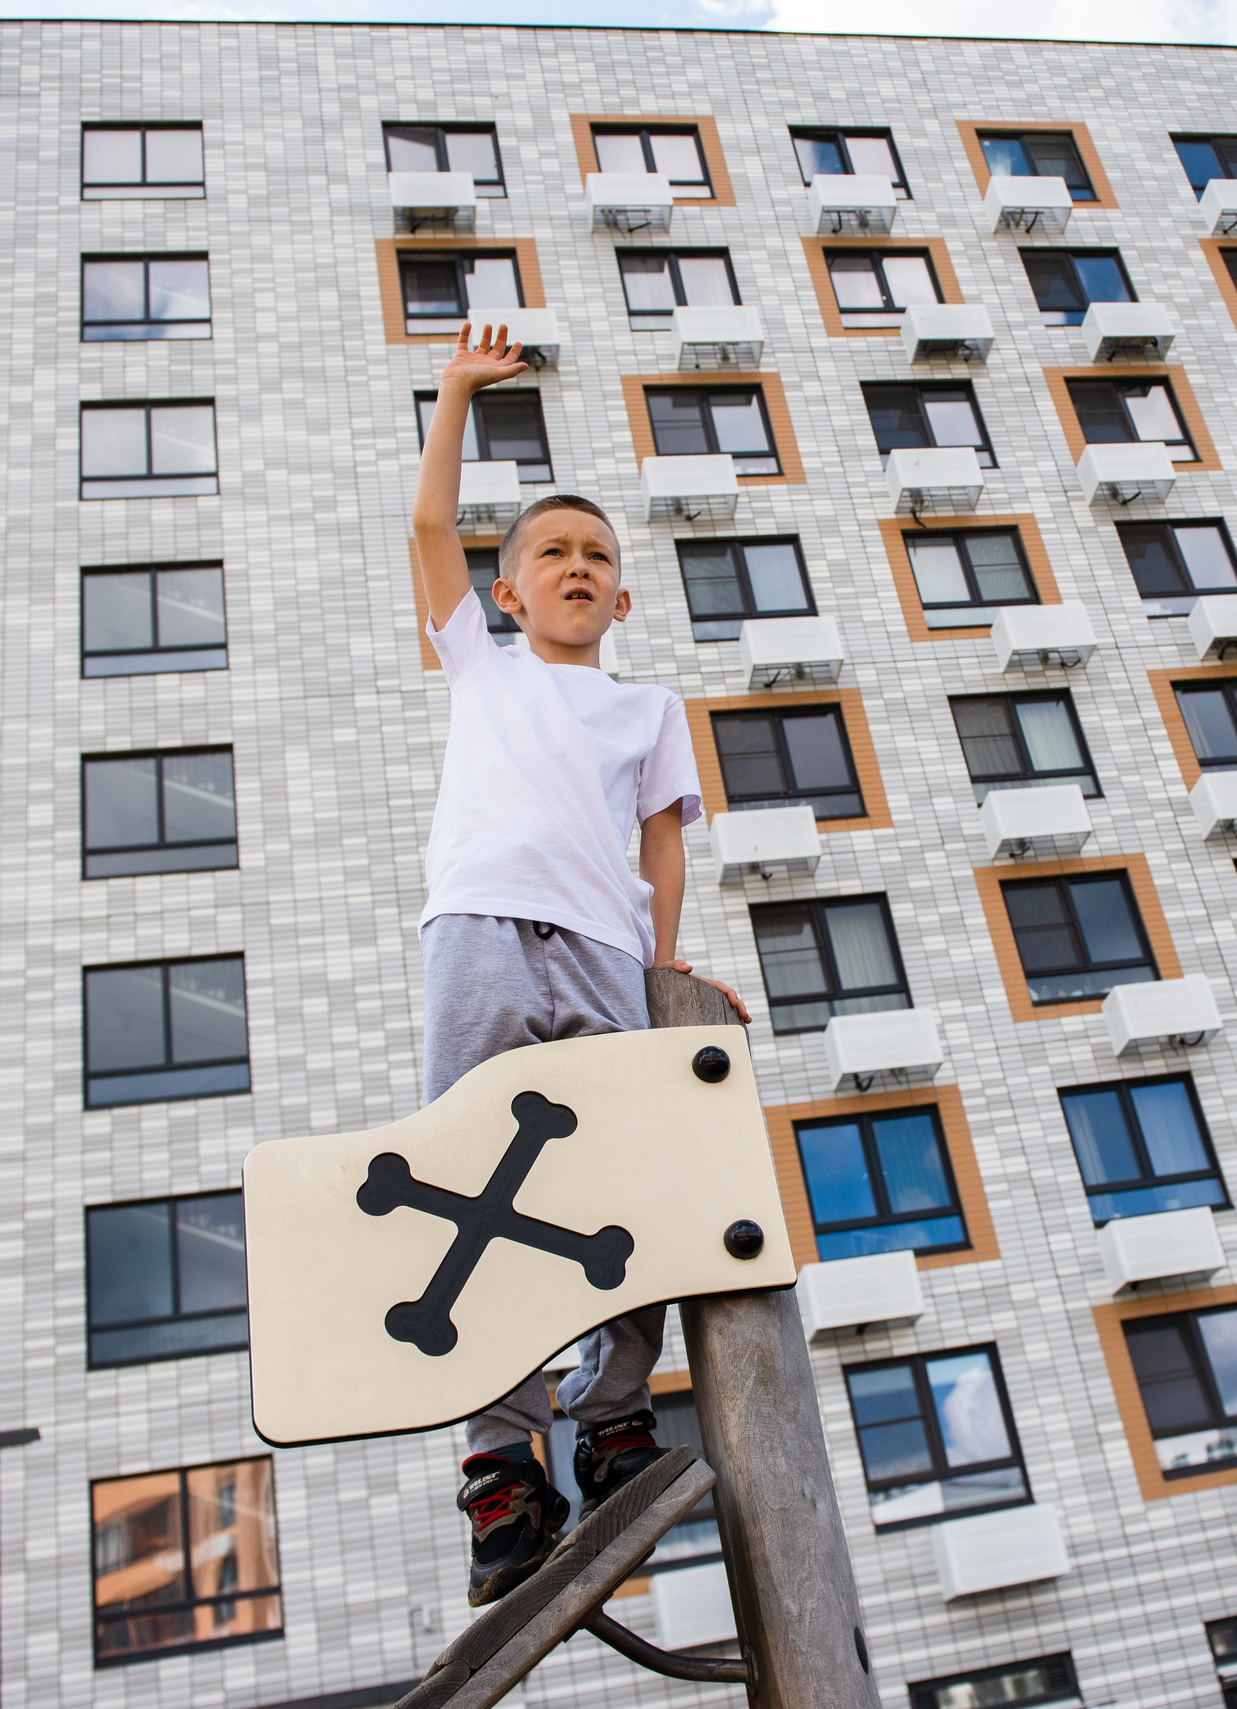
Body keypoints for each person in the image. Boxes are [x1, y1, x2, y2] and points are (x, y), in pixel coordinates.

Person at [411, 321, 752, 1608]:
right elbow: (428, 531)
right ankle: (501, 1454)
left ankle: (612, 1409)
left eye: (596, 556)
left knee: (629, 1180)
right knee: (468, 1180)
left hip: (605, 951)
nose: (574, 565)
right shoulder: (481, 669)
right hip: (481, 933)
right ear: (507, 593)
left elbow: (662, 848)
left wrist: (669, 973)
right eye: (550, 551)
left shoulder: (647, 706)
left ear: (621, 597)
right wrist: (454, 393)